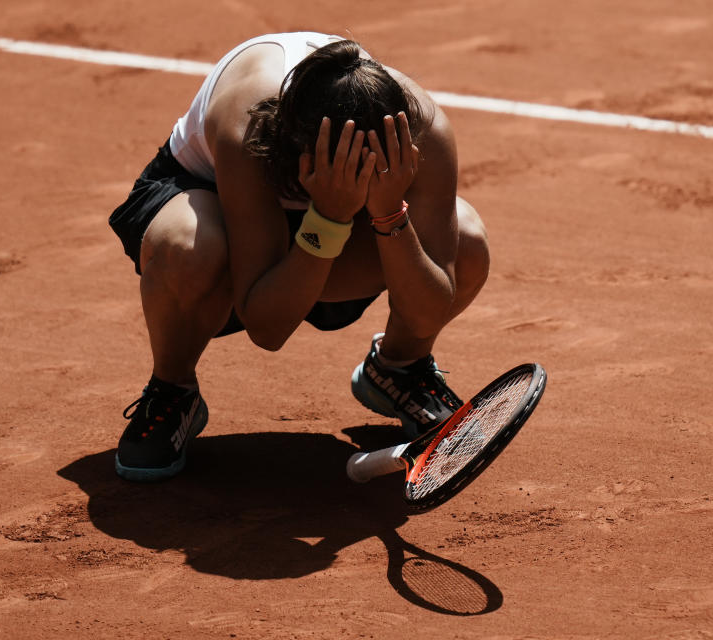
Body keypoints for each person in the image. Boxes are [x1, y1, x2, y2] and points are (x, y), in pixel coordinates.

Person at [109, 32, 490, 481]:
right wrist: (329, 216)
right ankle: (172, 391)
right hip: (219, 205)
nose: (355, 172)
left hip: (345, 223)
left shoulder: (423, 131)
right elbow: (266, 326)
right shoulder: (247, 124)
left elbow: (430, 306)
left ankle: (400, 368)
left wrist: (388, 214)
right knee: (188, 247)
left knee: (464, 240)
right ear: (296, 144)